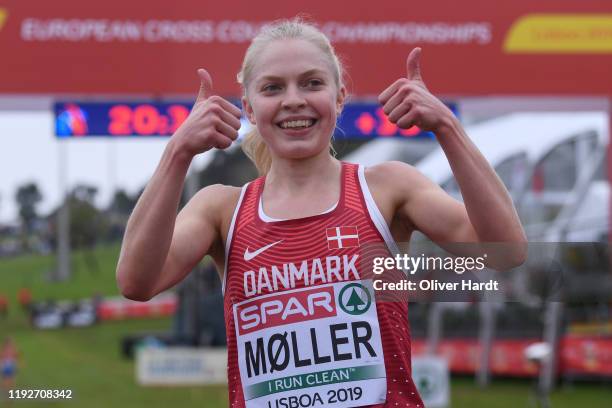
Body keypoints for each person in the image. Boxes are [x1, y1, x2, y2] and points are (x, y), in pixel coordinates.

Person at [116, 18, 526, 408]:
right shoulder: (221, 209)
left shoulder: (387, 188)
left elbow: (505, 251)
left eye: (312, 83)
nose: (294, 100)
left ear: (339, 96)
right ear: (250, 108)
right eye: (273, 88)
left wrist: (447, 128)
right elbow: (136, 281)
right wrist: (177, 153)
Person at [1, 337, 19, 401]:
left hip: (9, 366)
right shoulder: (6, 349)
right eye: (11, 342)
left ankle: (7, 394)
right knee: (8, 381)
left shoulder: (7, 349)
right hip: (8, 367)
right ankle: (7, 394)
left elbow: (16, 356)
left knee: (10, 381)